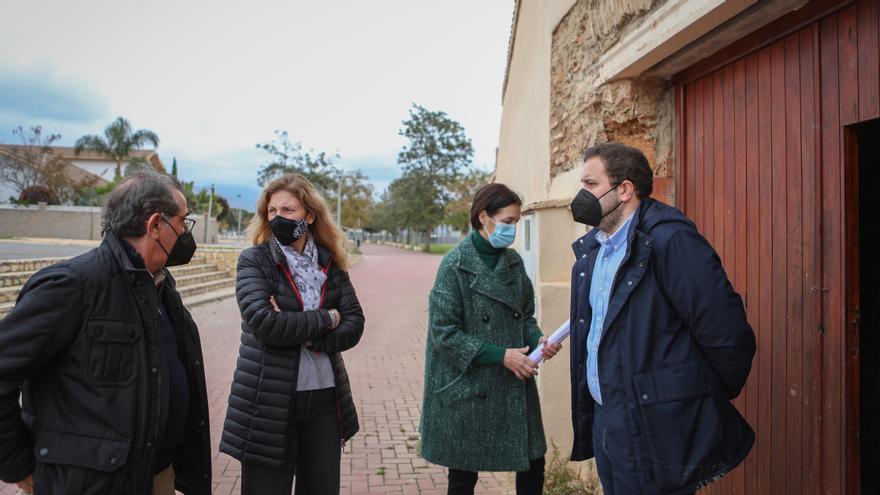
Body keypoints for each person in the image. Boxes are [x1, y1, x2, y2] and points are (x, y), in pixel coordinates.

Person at [0, 170, 211, 494]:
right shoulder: (74, 285)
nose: (186, 232)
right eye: (183, 222)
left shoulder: (160, 287)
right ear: (155, 225)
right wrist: (17, 464)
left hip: (156, 475)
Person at [567, 142, 756, 494]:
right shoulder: (594, 249)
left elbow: (727, 334)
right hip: (607, 419)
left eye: (590, 184)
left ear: (624, 189)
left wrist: (693, 397)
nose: (582, 194)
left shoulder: (670, 241)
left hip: (655, 424)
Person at [220, 173, 365, 494]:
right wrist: (328, 317)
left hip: (325, 399)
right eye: (272, 212)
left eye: (288, 211)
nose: (278, 218)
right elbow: (265, 324)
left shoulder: (330, 263)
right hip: (268, 400)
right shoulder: (254, 261)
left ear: (309, 215)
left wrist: (307, 333)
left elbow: (355, 323)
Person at [420, 183, 562, 495]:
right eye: (508, 221)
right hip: (471, 385)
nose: (513, 228)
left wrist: (539, 340)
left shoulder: (512, 262)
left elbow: (524, 317)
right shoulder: (454, 266)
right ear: (484, 217)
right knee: (463, 475)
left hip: (512, 385)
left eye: (516, 221)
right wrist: (502, 356)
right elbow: (444, 333)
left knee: (533, 461)